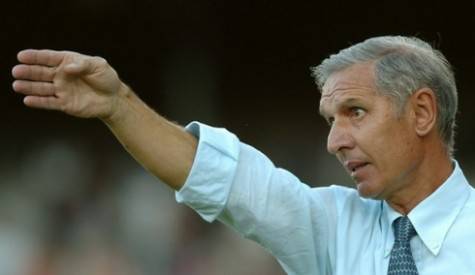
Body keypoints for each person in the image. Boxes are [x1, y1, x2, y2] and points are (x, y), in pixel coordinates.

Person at [11, 36, 475, 275]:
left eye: (355, 112)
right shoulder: (334, 224)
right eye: (330, 120)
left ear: (421, 113)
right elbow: (222, 179)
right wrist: (118, 107)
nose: (335, 141)